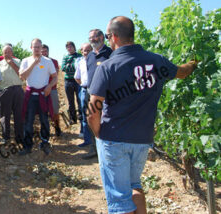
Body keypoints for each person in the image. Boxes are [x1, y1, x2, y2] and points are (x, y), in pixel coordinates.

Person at [88, 16, 197, 214]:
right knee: (134, 185)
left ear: (113, 37)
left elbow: (93, 111)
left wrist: (98, 134)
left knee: (120, 201)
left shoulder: (107, 67)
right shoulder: (157, 60)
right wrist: (193, 62)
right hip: (142, 139)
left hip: (114, 139)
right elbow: (182, 72)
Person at [19, 38, 57, 155]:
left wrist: (49, 86)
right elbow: (22, 76)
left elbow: (55, 77)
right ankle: (27, 146)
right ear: (31, 48)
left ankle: (45, 143)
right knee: (28, 121)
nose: (36, 49)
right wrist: (33, 64)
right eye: (34, 47)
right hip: (30, 95)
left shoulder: (47, 61)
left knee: (44, 120)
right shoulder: (26, 61)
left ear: (42, 48)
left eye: (38, 47)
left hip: (43, 95)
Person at [82, 29, 112, 159]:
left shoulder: (110, 53)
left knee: (105, 121)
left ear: (101, 37)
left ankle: (107, 150)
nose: (92, 40)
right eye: (90, 38)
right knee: (91, 120)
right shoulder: (90, 56)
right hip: (90, 94)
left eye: (94, 37)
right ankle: (94, 148)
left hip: (106, 96)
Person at [0, 45, 24, 145]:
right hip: (5, 91)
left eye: (9, 52)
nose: (7, 54)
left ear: (12, 53)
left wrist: (12, 64)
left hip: (17, 90)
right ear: (2, 54)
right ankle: (6, 137)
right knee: (5, 116)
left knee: (19, 115)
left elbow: (22, 76)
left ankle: (19, 137)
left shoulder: (19, 62)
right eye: (5, 52)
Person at [74, 43, 93, 147]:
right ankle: (87, 140)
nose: (86, 53)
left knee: (97, 114)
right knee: (85, 115)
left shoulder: (96, 61)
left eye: (88, 50)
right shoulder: (80, 62)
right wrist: (83, 84)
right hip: (84, 90)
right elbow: (76, 77)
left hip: (96, 91)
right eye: (84, 51)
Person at [41, 44, 62, 136]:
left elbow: (55, 75)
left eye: (45, 51)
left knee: (55, 110)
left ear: (48, 52)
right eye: (42, 51)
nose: (44, 53)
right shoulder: (37, 62)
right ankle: (45, 130)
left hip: (52, 89)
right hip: (41, 90)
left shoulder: (54, 61)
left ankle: (57, 127)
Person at [61, 41, 82, 125]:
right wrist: (74, 65)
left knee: (80, 100)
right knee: (70, 101)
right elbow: (63, 68)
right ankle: (73, 119)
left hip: (78, 81)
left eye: (71, 47)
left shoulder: (79, 56)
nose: (69, 48)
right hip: (68, 81)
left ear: (74, 47)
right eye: (68, 47)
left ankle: (81, 117)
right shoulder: (65, 57)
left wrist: (69, 65)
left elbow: (80, 67)